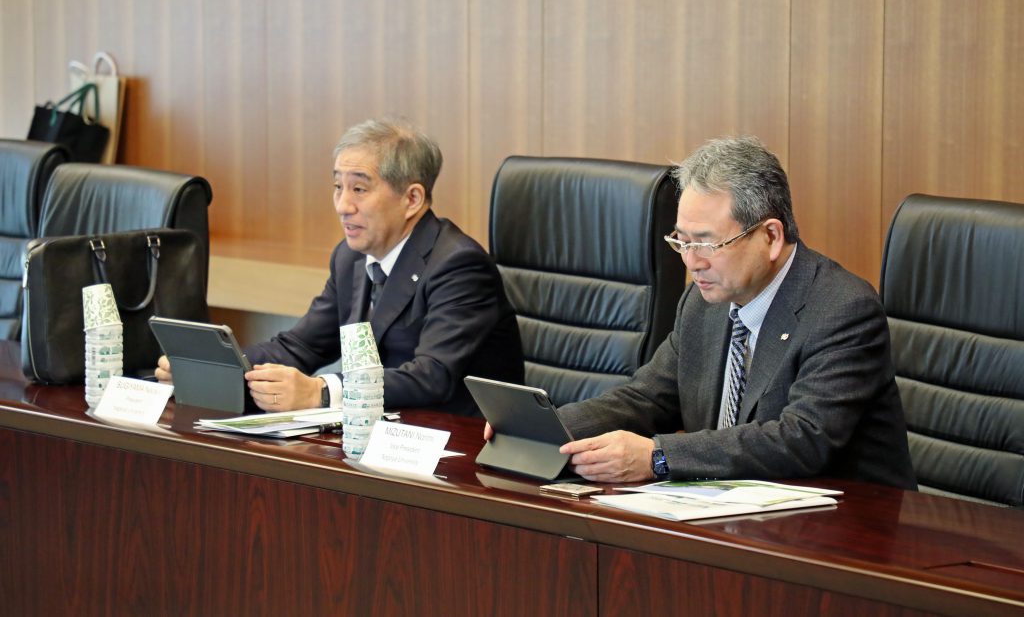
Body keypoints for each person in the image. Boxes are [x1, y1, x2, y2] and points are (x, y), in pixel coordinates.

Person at [488, 136, 916, 488]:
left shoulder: (842, 310)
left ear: (770, 236)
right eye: (682, 241)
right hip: (732, 518)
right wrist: (549, 427)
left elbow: (801, 439)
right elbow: (648, 397)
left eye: (707, 243)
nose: (692, 262)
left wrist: (657, 458)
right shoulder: (704, 301)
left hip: (848, 530)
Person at [157, 118, 524, 415]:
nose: (342, 206)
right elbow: (301, 346)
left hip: (450, 445)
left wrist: (320, 391)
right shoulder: (350, 258)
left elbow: (431, 376)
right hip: (377, 431)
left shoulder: (458, 265)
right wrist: (213, 365)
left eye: (359, 190)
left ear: (412, 198)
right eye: (338, 187)